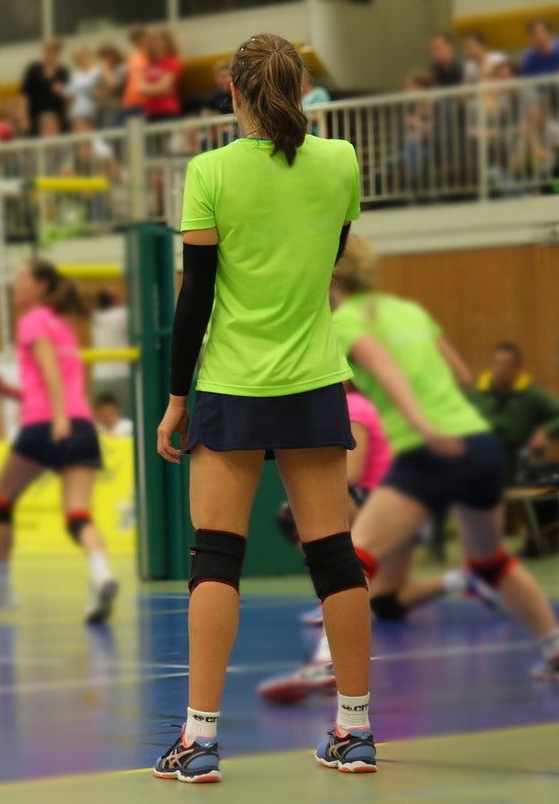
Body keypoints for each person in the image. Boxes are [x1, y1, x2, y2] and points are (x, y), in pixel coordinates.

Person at [153, 33, 374, 783]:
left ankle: (199, 741)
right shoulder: (341, 162)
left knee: (216, 557)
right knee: (334, 556)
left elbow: (196, 300)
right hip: (314, 381)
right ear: (303, 91)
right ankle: (354, 730)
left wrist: (176, 399)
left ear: (234, 91)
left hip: (232, 386)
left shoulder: (210, 171)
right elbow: (331, 251)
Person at [307, 235, 559, 686]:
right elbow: (463, 376)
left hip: (430, 448)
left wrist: (424, 427)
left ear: (327, 275)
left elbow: (383, 372)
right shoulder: (409, 311)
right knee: (490, 561)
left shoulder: (343, 323)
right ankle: (554, 647)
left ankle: (327, 661)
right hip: (480, 445)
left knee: (352, 558)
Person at [259, 381, 503, 704]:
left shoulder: (355, 406)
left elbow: (351, 474)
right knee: (386, 604)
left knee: (332, 550)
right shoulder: (363, 404)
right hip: (410, 507)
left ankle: (325, 655)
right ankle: (464, 578)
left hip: (389, 505)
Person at [0, 260, 118, 624]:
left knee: (0, 502)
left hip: (48, 424)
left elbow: (51, 372)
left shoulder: (33, 321)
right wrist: (5, 391)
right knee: (77, 516)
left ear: (39, 287)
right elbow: (52, 384)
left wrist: (58, 418)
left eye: (20, 276)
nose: (14, 283)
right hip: (81, 424)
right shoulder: (63, 326)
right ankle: (102, 575)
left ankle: (1, 587)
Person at [471, 341, 559, 476]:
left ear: (516, 369)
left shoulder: (530, 393)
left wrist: (545, 431)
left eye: (506, 365)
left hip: (516, 460)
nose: (500, 369)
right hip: (481, 458)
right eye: (496, 363)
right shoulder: (477, 392)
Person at [21, 39, 69, 135]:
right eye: (46, 52)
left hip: (56, 114)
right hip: (35, 115)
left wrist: (63, 91)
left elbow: (68, 96)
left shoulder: (63, 72)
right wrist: (24, 118)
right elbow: (24, 96)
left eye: (51, 52)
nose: (48, 55)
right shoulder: (33, 70)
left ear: (57, 53)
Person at [140, 29, 182, 122]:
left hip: (167, 110)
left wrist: (149, 88)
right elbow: (140, 87)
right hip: (150, 111)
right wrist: (157, 88)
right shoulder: (148, 64)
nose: (156, 44)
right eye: (153, 41)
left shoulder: (171, 61)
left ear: (166, 43)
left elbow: (164, 87)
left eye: (159, 41)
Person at [117, 26, 149, 124]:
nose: (138, 42)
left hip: (145, 102)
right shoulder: (132, 58)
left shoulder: (153, 56)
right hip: (128, 102)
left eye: (140, 38)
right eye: (135, 40)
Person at [66, 47, 103, 125]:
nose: (79, 60)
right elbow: (69, 93)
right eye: (76, 58)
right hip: (76, 111)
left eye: (81, 57)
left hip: (91, 110)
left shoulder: (97, 71)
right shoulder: (75, 75)